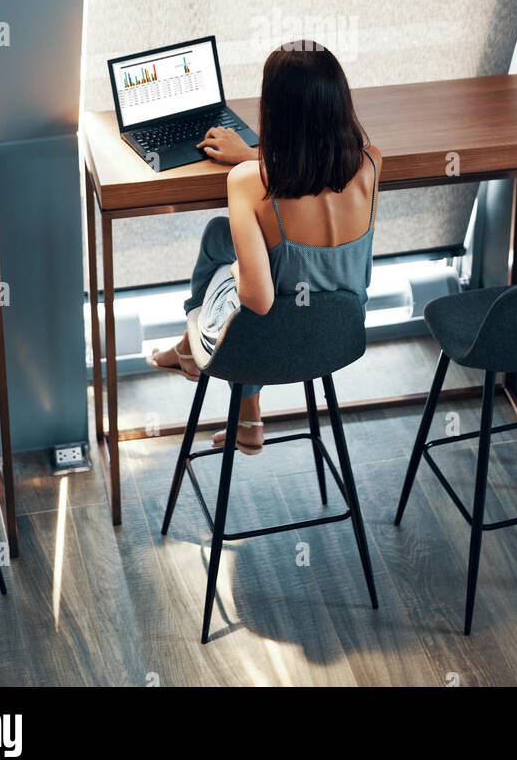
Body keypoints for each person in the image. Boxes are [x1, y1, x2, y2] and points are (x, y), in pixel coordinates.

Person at [148, 41, 381, 453]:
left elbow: (257, 301)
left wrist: (240, 266)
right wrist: (255, 156)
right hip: (339, 334)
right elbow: (313, 174)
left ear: (275, 113)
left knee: (239, 269)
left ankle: (202, 363)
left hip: (270, 344)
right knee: (220, 233)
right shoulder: (372, 163)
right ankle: (222, 390)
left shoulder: (248, 182)